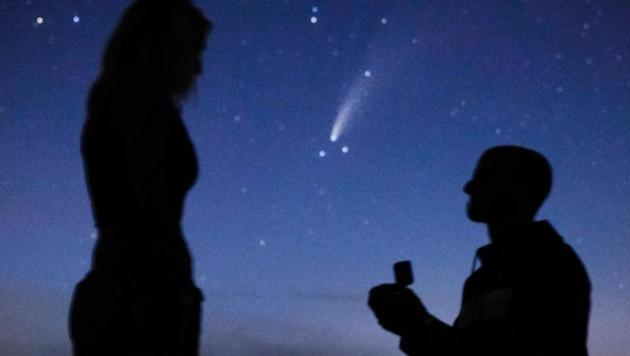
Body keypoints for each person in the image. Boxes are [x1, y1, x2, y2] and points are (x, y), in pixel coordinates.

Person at [68, 1, 211, 355]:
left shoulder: (123, 100)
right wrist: (174, 295)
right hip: (140, 302)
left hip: (134, 294)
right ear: (165, 44)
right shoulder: (136, 102)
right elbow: (149, 211)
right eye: (193, 49)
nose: (198, 67)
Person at [368, 145, 591, 356]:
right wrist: (415, 325)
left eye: (484, 177)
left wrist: (416, 325)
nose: (468, 187)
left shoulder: (553, 267)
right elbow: (470, 347)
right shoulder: (481, 279)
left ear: (515, 189)